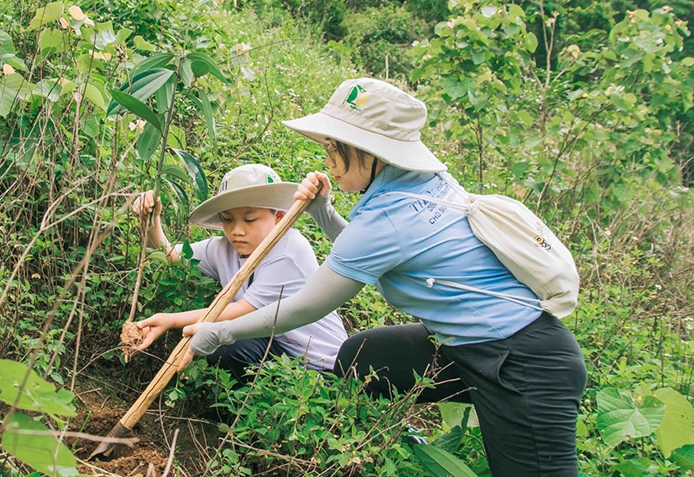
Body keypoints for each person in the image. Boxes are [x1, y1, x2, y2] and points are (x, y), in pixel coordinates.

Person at [181, 79, 587, 476]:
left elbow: (308, 305)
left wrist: (221, 331)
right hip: (471, 348)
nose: (328, 162)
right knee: (366, 357)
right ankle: (394, 440)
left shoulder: (387, 218)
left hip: (523, 364)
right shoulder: (424, 186)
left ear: (367, 151)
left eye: (332, 150)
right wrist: (323, 211)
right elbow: (374, 253)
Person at [132, 163, 348, 385]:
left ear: (279, 217)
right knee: (227, 345)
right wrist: (150, 219)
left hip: (321, 365)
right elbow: (169, 255)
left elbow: (242, 311)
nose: (237, 230)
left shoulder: (289, 249)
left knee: (226, 342)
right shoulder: (223, 248)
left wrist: (169, 320)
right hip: (276, 348)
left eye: (250, 219)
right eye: (227, 219)